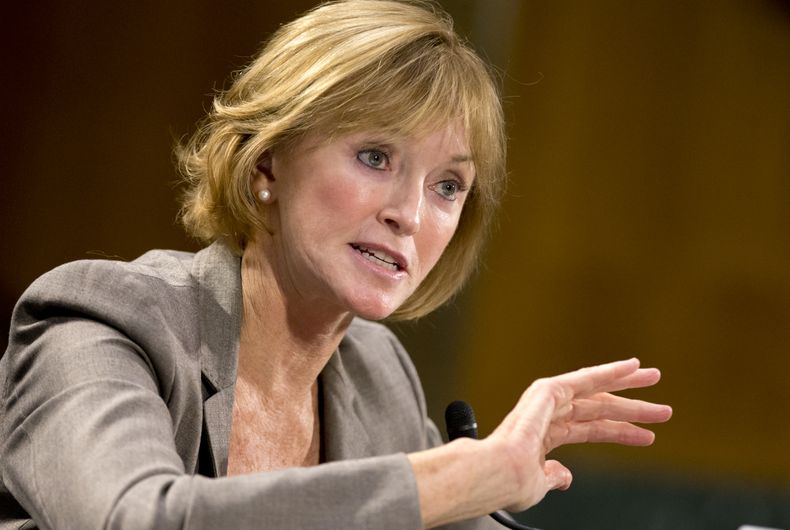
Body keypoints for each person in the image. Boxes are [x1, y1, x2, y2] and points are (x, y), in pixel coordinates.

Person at [0, 1, 672, 528]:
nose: (409, 212)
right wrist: (461, 476)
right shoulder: (102, 321)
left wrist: (496, 477)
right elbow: (131, 519)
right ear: (268, 162)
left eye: (447, 186)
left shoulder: (379, 380)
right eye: (376, 157)